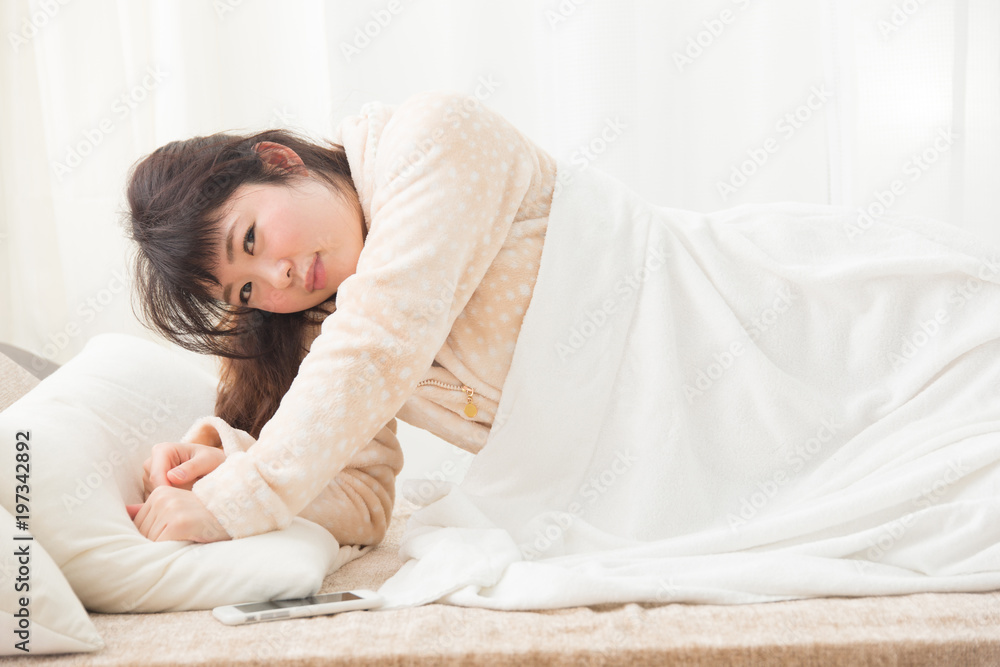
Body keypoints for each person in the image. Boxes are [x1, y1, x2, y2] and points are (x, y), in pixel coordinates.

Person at [124, 90, 557, 544]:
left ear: (280, 161)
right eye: (247, 291)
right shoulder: (326, 325)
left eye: (250, 239)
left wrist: (235, 500)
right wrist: (224, 470)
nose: (277, 277)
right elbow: (362, 502)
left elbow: (383, 337)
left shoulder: (435, 135)